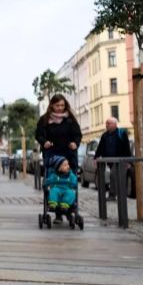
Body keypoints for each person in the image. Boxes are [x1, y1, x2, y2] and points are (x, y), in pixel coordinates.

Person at [36, 94, 82, 222]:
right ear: (52, 105)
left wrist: (75, 143)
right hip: (52, 154)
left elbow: (78, 135)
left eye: (62, 105)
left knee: (69, 183)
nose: (60, 108)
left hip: (68, 154)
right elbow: (38, 135)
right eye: (57, 106)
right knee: (54, 183)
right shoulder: (45, 120)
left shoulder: (70, 119)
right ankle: (57, 213)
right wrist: (44, 142)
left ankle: (69, 208)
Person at [94, 117, 131, 199]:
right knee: (115, 176)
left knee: (113, 175)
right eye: (106, 123)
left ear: (114, 124)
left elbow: (127, 147)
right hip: (109, 160)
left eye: (108, 123)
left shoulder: (121, 133)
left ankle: (113, 194)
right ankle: (117, 194)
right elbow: (100, 147)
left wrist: (128, 160)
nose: (107, 125)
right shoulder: (105, 135)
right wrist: (96, 157)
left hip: (120, 160)